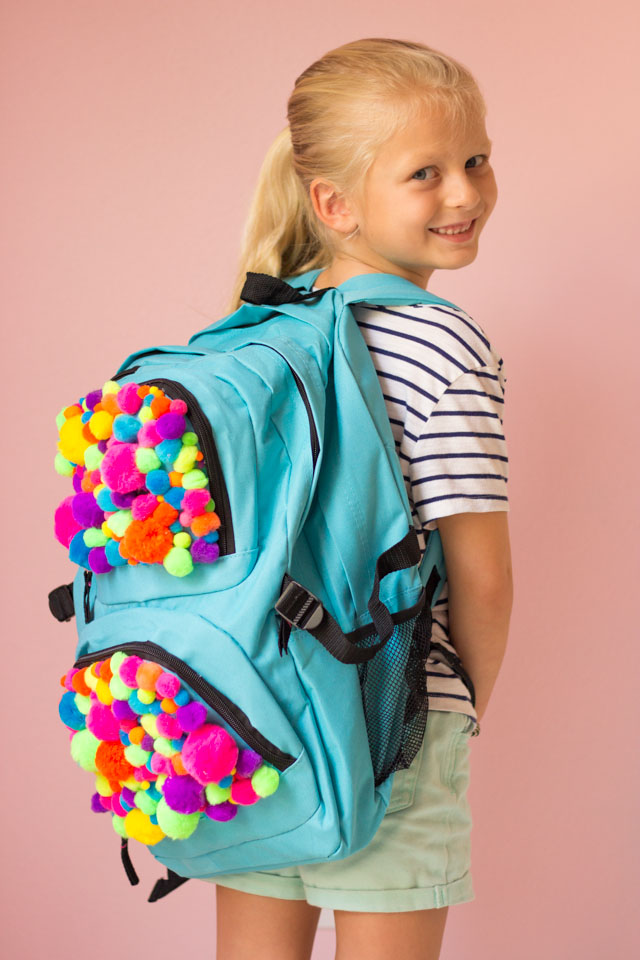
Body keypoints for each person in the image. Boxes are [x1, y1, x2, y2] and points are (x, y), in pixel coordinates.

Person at [213, 37, 514, 960]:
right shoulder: (442, 343)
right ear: (334, 203)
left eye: (476, 160)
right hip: (390, 727)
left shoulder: (254, 326)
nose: (463, 193)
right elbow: (484, 581)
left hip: (247, 715)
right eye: (425, 172)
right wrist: (459, 710)